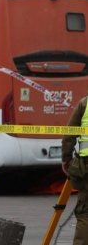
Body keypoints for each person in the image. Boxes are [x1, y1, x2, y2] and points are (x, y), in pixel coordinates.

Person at [62, 96, 88, 245]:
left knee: (85, 213)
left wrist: (66, 159)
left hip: (86, 165)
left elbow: (69, 134)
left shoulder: (84, 103)